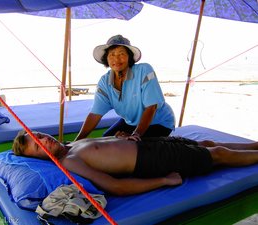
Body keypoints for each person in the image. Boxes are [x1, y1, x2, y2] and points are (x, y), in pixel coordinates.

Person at [13, 130, 258, 196]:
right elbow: (115, 186)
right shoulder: (71, 161)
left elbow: (108, 146)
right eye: (38, 145)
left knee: (204, 143)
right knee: (218, 154)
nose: (44, 139)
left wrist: (125, 138)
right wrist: (163, 180)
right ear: (39, 157)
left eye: (39, 135)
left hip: (149, 144)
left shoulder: (71, 144)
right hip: (152, 160)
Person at [75, 34, 175, 141]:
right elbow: (95, 114)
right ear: (106, 59)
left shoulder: (144, 70)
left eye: (121, 54)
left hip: (159, 122)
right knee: (107, 139)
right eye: (112, 54)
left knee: (132, 147)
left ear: (129, 57)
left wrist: (135, 134)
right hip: (131, 122)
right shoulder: (104, 81)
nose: (116, 59)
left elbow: (151, 107)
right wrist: (75, 142)